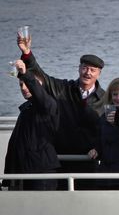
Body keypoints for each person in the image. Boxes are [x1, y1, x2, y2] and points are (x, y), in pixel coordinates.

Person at [17, 32, 104, 188]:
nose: (88, 72)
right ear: (79, 68)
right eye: (85, 68)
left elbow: (108, 128)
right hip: (60, 158)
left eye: (92, 70)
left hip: (89, 160)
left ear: (99, 73)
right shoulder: (63, 88)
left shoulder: (105, 99)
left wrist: (99, 147)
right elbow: (40, 75)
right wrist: (27, 53)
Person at [3, 60, 60, 190]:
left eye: (27, 84)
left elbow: (40, 96)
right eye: (21, 84)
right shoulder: (26, 110)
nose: (23, 88)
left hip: (42, 173)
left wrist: (25, 74)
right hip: (23, 173)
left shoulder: (48, 105)